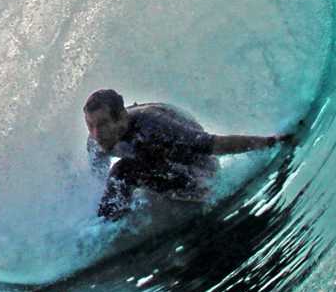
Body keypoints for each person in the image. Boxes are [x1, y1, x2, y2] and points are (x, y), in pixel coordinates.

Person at [84, 89, 295, 221]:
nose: (97, 133)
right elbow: (100, 180)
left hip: (198, 171)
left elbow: (216, 145)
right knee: (121, 176)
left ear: (121, 116)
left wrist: (270, 142)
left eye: (103, 124)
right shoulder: (96, 140)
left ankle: (106, 230)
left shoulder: (154, 125)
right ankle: (109, 223)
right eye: (90, 125)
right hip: (158, 168)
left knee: (122, 171)